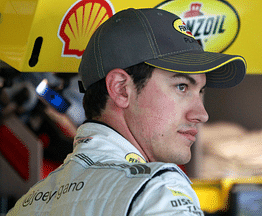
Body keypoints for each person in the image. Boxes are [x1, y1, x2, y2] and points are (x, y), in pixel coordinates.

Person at [7, 8, 246, 215]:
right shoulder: (158, 190)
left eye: (201, 91)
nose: (201, 114)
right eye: (182, 87)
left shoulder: (30, 202)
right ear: (121, 89)